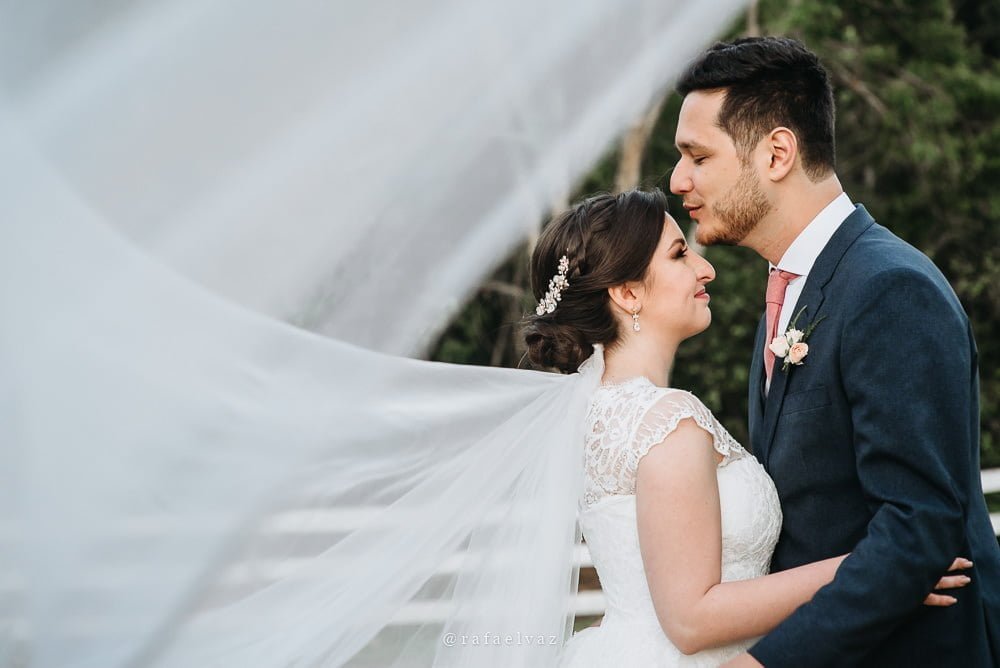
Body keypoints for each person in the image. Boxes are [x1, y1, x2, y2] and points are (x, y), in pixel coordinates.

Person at [521, 188, 966, 666]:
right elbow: (692, 620)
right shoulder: (666, 422)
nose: (705, 269)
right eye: (679, 254)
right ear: (628, 293)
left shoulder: (597, 416)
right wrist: (881, 569)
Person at [669, 36, 1000, 667]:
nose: (679, 179)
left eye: (698, 156)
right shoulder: (789, 293)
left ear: (777, 153)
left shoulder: (889, 289)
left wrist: (762, 663)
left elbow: (918, 527)